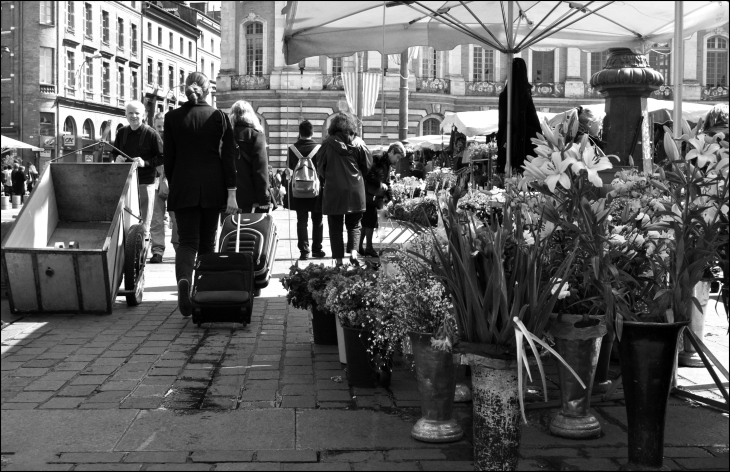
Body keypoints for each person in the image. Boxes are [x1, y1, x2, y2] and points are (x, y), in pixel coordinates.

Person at [164, 71, 238, 317]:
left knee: (186, 242)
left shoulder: (172, 117)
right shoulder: (219, 117)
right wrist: (231, 193)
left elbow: (169, 159)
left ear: (186, 89)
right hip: (212, 188)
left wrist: (175, 184)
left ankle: (184, 280)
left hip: (183, 186)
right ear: (209, 90)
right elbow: (228, 159)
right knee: (207, 242)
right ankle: (204, 292)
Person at [316, 112, 372, 266]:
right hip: (355, 191)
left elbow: (320, 167)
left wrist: (327, 179)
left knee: (335, 228)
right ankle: (353, 253)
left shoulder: (327, 144)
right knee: (354, 225)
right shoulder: (360, 143)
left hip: (334, 190)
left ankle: (339, 262)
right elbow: (367, 167)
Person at [112, 100, 164, 242]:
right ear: (125, 115)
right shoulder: (121, 132)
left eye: (137, 113)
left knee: (145, 222)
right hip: (126, 182)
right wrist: (117, 158)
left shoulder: (152, 134)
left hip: (145, 183)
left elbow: (163, 157)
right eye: (130, 113)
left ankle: (141, 251)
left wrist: (145, 163)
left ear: (144, 115)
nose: (134, 116)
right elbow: (114, 152)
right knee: (126, 220)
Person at [287, 120, 326, 260]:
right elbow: (322, 169)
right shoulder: (319, 148)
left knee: (301, 221)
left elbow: (290, 168)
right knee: (318, 220)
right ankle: (317, 249)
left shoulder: (292, 148)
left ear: (299, 132)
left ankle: (304, 251)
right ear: (312, 132)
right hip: (315, 189)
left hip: (299, 190)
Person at [496, 57, 541, 174]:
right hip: (524, 146)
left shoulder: (505, 96)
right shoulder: (524, 95)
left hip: (510, 142)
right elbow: (533, 123)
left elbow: (502, 124)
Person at [360, 142, 402, 257]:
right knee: (370, 222)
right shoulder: (377, 159)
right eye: (397, 157)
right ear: (392, 152)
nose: (397, 160)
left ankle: (360, 246)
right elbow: (368, 174)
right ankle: (368, 248)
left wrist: (391, 198)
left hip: (373, 195)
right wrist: (379, 183)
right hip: (368, 194)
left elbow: (387, 183)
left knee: (367, 222)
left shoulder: (387, 164)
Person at [229, 100, 271, 214]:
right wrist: (264, 198)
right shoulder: (256, 135)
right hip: (251, 197)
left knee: (230, 229)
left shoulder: (225, 135)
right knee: (250, 230)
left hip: (228, 197)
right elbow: (260, 169)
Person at [149, 111, 168, 263]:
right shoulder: (150, 139)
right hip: (156, 181)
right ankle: (157, 251)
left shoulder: (176, 138)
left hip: (174, 182)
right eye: (158, 126)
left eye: (163, 126)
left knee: (178, 219)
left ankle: (181, 249)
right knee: (156, 219)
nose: (161, 129)